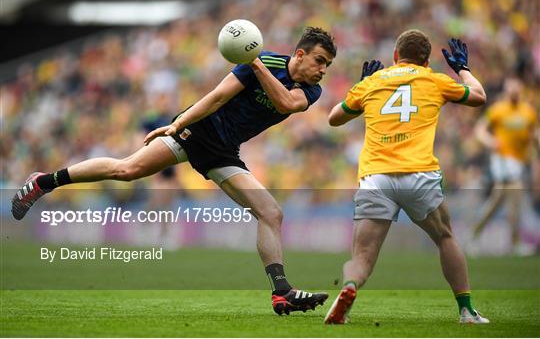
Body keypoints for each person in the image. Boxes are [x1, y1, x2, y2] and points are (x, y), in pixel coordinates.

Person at [12, 26, 336, 315]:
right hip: (196, 133)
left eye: (328, 65)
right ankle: (44, 182)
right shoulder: (263, 61)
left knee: (271, 213)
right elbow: (217, 96)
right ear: (300, 54)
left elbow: (286, 104)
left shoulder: (306, 89)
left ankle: (281, 293)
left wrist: (255, 63)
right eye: (320, 60)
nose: (323, 70)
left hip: (223, 153)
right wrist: (177, 124)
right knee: (127, 169)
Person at [323, 30, 490, 324]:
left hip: (376, 177)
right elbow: (478, 96)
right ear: (426, 61)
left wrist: (361, 85)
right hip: (419, 174)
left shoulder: (373, 82)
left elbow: (334, 118)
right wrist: (463, 69)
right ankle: (466, 310)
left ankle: (348, 291)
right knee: (445, 237)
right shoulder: (434, 79)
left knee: (362, 257)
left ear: (395, 56)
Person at [472, 78, 537, 254]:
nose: (514, 91)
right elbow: (480, 130)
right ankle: (515, 244)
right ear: (507, 90)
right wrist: (490, 140)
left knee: (497, 201)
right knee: (516, 193)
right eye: (511, 88)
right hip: (502, 160)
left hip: (519, 162)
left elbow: (534, 136)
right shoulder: (498, 110)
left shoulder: (528, 112)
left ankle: (474, 236)